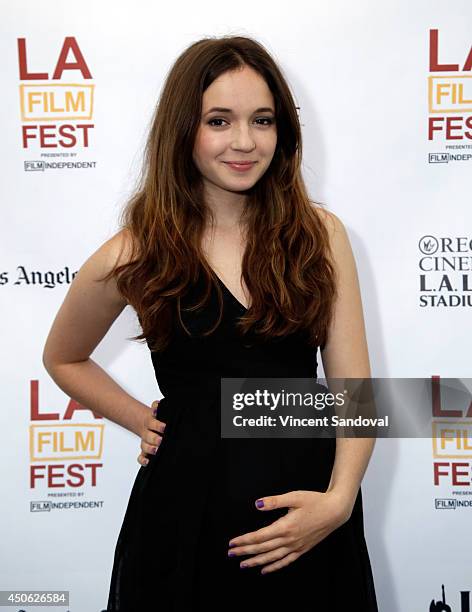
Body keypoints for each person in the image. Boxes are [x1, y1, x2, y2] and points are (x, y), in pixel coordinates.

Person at [43, 35, 378, 611]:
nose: (244, 142)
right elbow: (63, 357)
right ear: (183, 130)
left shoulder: (320, 236)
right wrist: (137, 418)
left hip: (307, 515)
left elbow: (354, 393)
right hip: (184, 515)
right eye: (219, 120)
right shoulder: (136, 252)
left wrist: (339, 500)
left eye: (263, 120)